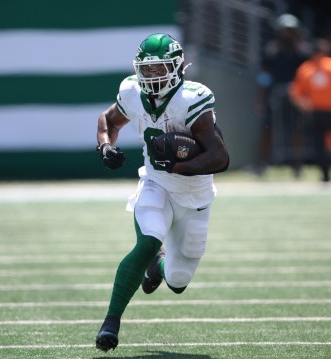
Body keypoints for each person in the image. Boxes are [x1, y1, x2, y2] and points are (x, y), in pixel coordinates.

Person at [94, 33, 229, 352]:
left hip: (195, 196)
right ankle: (110, 323)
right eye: (147, 69)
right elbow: (107, 120)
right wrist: (105, 146)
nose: (153, 76)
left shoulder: (192, 98)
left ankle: (160, 266)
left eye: (160, 69)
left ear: (178, 67)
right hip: (155, 184)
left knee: (179, 281)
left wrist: (180, 165)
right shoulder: (131, 91)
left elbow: (220, 157)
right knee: (149, 240)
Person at [289, 38, 331, 182]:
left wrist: (306, 106)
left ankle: (326, 175)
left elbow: (295, 93)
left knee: (319, 145)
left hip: (316, 112)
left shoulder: (305, 68)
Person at [252, 13, 311, 176]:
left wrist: (305, 96)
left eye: (291, 30)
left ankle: (297, 166)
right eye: (285, 30)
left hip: (295, 96)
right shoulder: (272, 49)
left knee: (296, 130)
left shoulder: (303, 51)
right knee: (267, 129)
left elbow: (307, 76)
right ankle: (261, 164)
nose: (287, 34)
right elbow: (264, 76)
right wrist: (261, 99)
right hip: (274, 95)